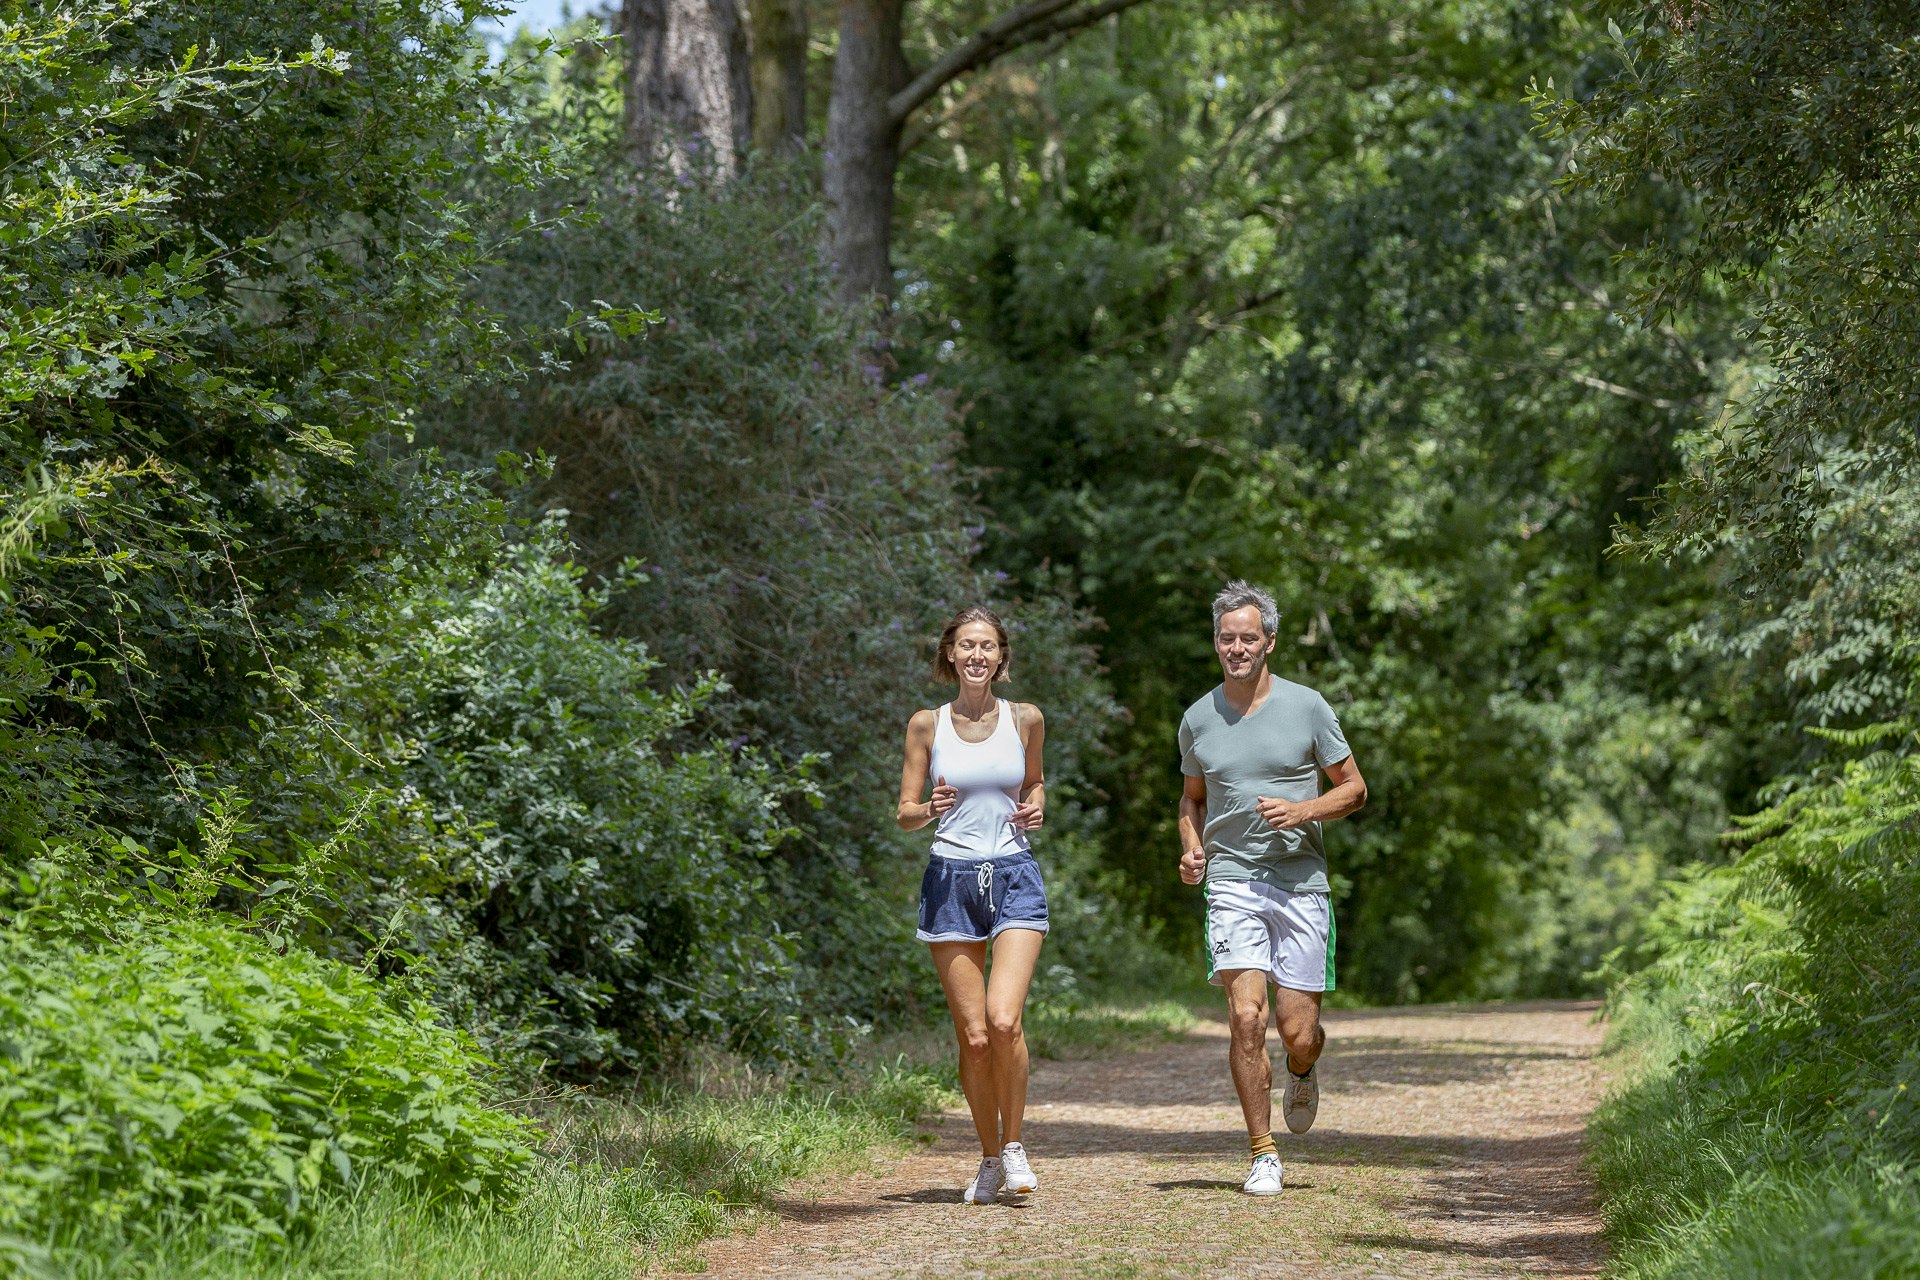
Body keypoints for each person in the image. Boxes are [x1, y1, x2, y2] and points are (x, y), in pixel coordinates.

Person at [1177, 580, 1367, 1196]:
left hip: (1300, 881)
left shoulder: (1308, 706)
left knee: (1296, 1030)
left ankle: (1303, 1067)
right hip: (1232, 881)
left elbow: (1355, 789)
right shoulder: (1197, 718)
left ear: (1270, 642)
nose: (1237, 647)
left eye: (1248, 638)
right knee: (1245, 1017)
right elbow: (1192, 797)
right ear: (1216, 642)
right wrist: (1191, 845)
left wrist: (1303, 810)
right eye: (1227, 638)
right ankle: (1263, 1152)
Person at [897, 605, 1050, 1205]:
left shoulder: (1027, 718)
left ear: (1001, 656)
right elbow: (905, 813)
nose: (978, 655)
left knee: (1004, 1020)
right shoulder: (925, 725)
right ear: (951, 656)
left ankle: (1014, 1145)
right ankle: (988, 1156)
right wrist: (929, 808)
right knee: (975, 1036)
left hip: (1014, 874)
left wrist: (1036, 805)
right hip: (950, 880)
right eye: (967, 646)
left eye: (987, 646)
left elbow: (1033, 782)